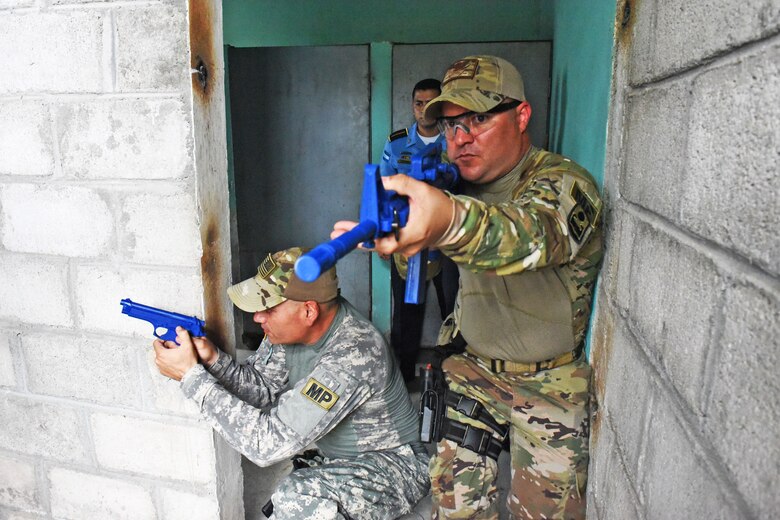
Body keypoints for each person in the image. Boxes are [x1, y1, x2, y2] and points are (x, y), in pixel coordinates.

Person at [331, 55, 603, 519]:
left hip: (547, 383)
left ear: (521, 116)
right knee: (454, 507)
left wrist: (447, 220)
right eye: (452, 125)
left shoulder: (561, 182)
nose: (461, 137)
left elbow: (528, 238)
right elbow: (427, 268)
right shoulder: (457, 187)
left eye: (478, 118)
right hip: (472, 369)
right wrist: (394, 236)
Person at [152, 247, 430, 520]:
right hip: (339, 458)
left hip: (395, 466)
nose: (257, 317)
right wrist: (213, 360)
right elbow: (262, 389)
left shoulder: (353, 354)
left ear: (308, 312)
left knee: (296, 496)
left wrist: (192, 379)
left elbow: (266, 444)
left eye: (268, 308)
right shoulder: (289, 334)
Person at [380, 78, 459, 383]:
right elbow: (385, 190)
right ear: (411, 106)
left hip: (449, 240)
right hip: (409, 240)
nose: (424, 110)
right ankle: (405, 375)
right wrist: (386, 234)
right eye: (418, 103)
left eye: (431, 102)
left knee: (452, 308)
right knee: (407, 312)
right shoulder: (398, 143)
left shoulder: (456, 140)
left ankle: (453, 377)